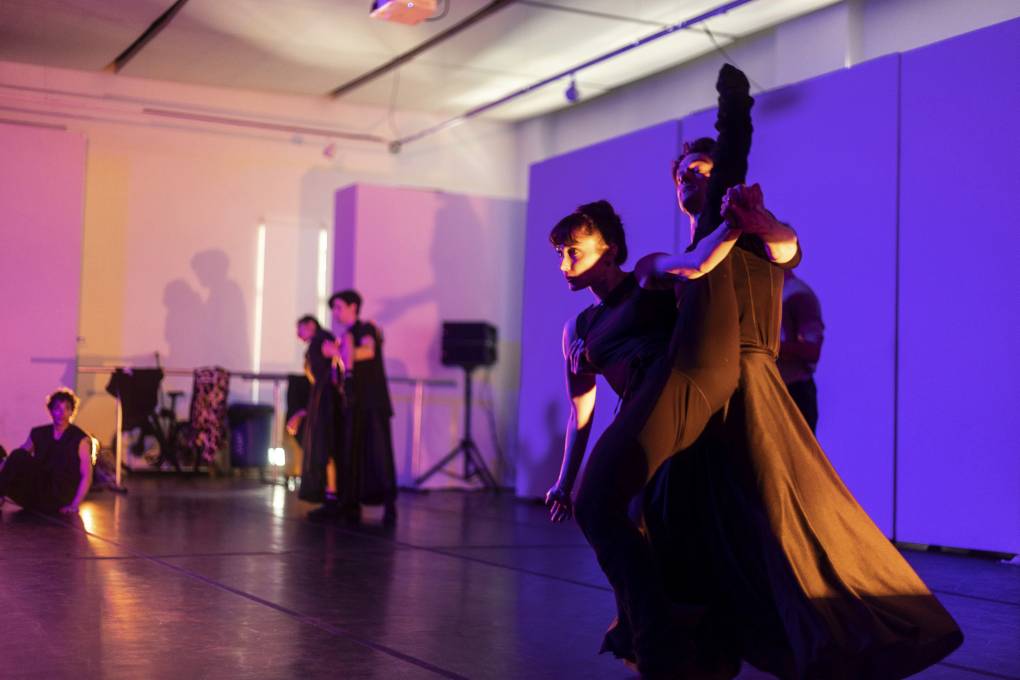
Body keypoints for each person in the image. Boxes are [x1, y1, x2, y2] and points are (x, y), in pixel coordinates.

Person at [645, 152, 963, 677]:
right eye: (681, 174)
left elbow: (784, 243)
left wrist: (757, 222)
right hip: (697, 396)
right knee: (689, 514)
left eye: (702, 171)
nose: (689, 180)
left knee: (778, 510)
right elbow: (686, 275)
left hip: (757, 390)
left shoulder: (763, 251)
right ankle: (706, 637)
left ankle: (831, 630)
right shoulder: (683, 259)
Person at [544, 64, 759, 677]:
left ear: (607, 247)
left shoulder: (645, 277)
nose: (563, 261)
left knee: (687, 539)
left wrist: (739, 219)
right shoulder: (577, 332)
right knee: (641, 532)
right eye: (558, 252)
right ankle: (653, 640)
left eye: (573, 249)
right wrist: (564, 478)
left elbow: (696, 261)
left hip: (682, 418)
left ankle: (669, 642)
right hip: (643, 426)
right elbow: (581, 413)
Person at [330, 290, 398, 525]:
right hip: (355, 403)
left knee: (379, 453)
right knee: (352, 452)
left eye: (339, 307)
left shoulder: (366, 329)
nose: (335, 312)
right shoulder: (346, 335)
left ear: (353, 307)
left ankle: (389, 504)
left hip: (373, 402)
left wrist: (341, 353)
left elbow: (368, 351)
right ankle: (351, 502)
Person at [287, 315, 346, 520]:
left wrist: (340, 367)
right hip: (322, 399)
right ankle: (330, 495)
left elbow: (338, 355)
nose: (298, 334)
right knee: (324, 448)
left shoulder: (321, 341)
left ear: (310, 326)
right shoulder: (317, 343)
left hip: (325, 400)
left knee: (326, 448)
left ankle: (332, 497)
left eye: (300, 329)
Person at [0, 388, 94, 514]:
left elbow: (86, 475)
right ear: (50, 411)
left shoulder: (80, 439)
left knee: (17, 456)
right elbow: (16, 458)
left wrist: (75, 505)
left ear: (72, 411)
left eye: (66, 409)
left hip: (59, 497)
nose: (62, 413)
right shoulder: (39, 433)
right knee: (18, 454)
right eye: (57, 409)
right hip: (38, 492)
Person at [778, 269, 824, 432]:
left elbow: (812, 351)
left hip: (794, 392)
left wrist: (770, 348)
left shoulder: (797, 295)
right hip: (774, 390)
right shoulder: (772, 292)